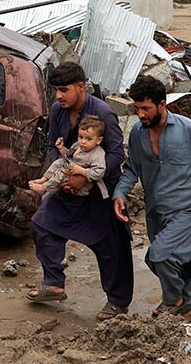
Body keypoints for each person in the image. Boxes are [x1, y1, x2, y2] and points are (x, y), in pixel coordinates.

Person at [26, 62, 133, 322]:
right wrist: (63, 174)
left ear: (81, 87)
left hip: (99, 191)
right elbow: (53, 145)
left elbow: (117, 154)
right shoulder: (57, 111)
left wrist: (84, 180)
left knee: (110, 247)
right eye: (55, 90)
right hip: (66, 186)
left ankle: (117, 302)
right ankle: (53, 284)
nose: (58, 96)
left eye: (64, 90)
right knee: (42, 224)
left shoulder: (103, 113)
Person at [112, 76, 191, 323]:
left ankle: (173, 300)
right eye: (137, 108)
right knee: (179, 263)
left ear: (162, 105)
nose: (140, 114)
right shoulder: (138, 133)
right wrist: (120, 193)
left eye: (146, 108)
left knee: (159, 256)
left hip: (189, 209)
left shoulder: (190, 130)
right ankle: (188, 313)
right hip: (156, 211)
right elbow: (132, 168)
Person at [28, 115, 109, 199]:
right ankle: (44, 179)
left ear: (98, 140)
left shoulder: (97, 154)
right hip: (71, 169)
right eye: (80, 137)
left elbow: (98, 173)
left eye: (88, 139)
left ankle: (44, 188)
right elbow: (69, 157)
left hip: (82, 184)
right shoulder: (78, 145)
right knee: (59, 162)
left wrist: (82, 171)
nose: (83, 142)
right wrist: (62, 149)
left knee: (62, 173)